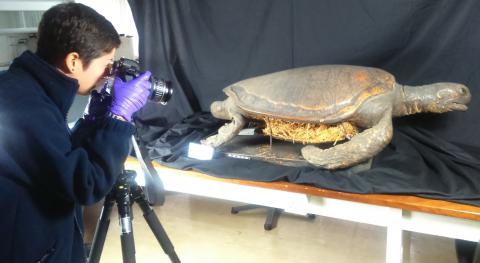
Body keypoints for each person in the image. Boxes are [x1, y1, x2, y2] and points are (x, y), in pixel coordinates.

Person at [0, 3, 151, 262]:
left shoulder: (26, 88)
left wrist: (93, 120)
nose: (108, 73)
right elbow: (84, 184)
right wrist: (118, 118)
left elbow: (61, 157)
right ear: (73, 61)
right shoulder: (25, 107)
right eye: (107, 63)